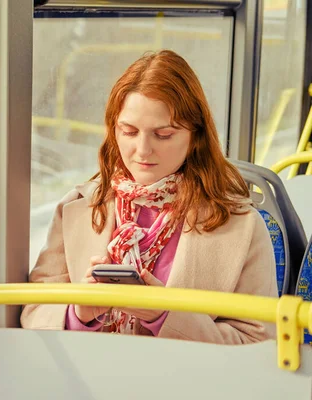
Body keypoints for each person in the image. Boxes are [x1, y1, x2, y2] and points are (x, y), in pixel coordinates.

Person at [20, 49, 277, 344]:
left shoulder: (243, 226)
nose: (143, 151)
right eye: (129, 131)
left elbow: (259, 343)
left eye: (163, 135)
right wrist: (80, 314)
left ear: (196, 138)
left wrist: (164, 316)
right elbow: (35, 309)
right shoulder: (77, 208)